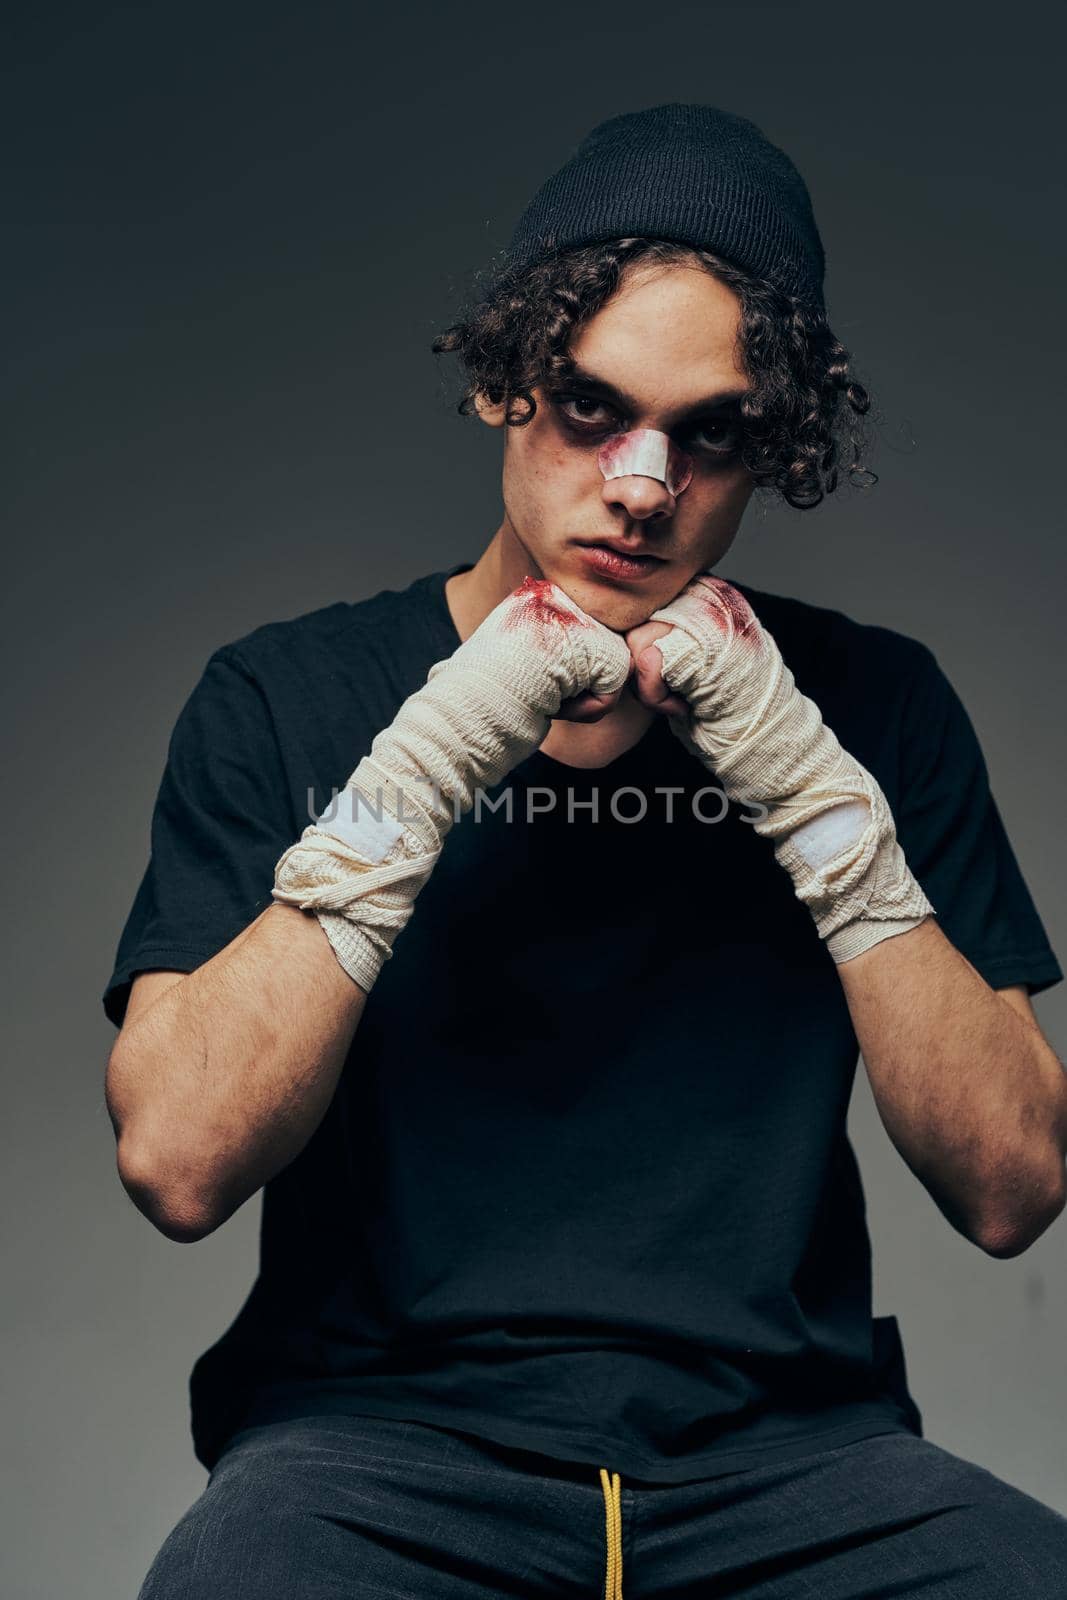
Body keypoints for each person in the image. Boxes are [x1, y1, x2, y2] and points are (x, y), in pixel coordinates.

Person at [103, 104, 1067, 1597]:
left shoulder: (874, 707)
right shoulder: (286, 694)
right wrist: (432, 755)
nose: (639, 482)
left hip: (791, 1464)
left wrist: (811, 789)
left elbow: (1013, 1188)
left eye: (710, 432)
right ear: (505, 381)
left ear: (774, 447)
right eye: (591, 408)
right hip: (378, 1454)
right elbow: (174, 1158)